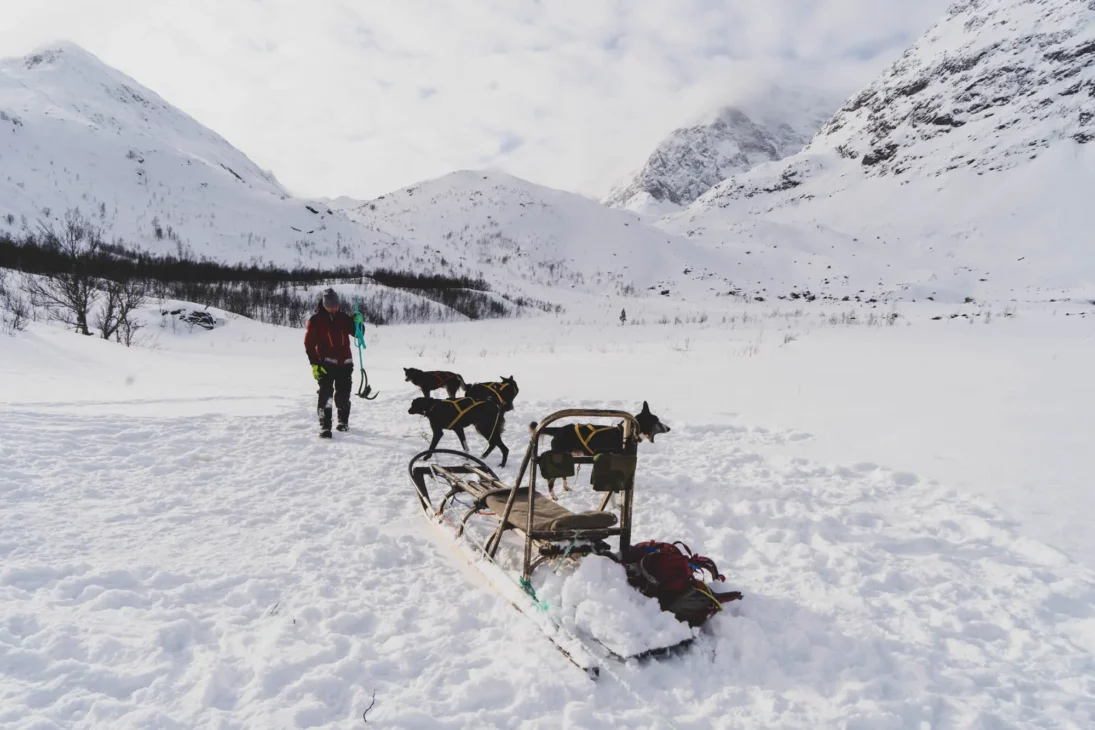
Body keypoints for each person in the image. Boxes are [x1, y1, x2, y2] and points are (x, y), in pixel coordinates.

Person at [303, 288, 362, 438]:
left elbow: (358, 334)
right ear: (324, 305)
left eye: (335, 305)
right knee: (326, 395)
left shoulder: (343, 318)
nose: (334, 308)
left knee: (343, 395)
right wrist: (314, 365)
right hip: (325, 365)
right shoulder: (315, 321)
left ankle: (343, 422)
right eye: (330, 306)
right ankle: (325, 426)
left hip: (345, 364)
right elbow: (309, 345)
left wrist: (359, 323)